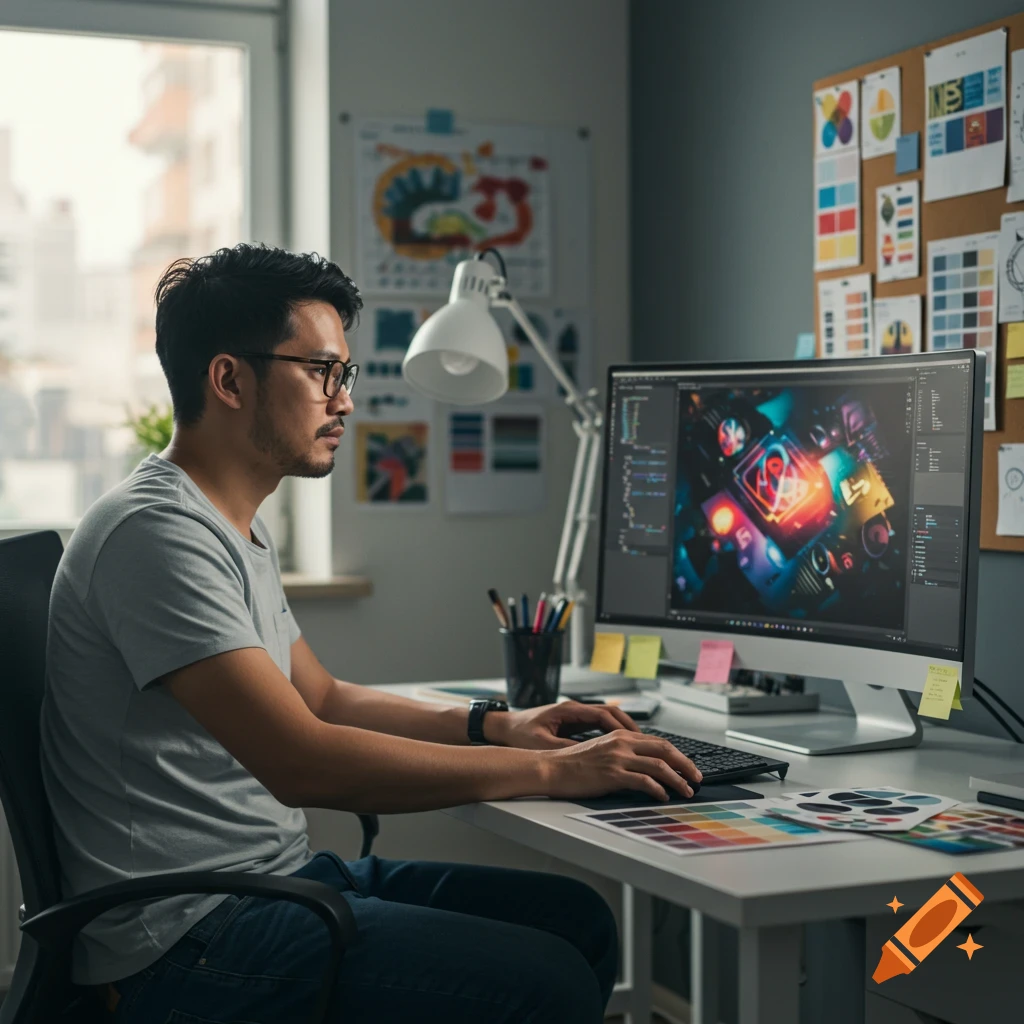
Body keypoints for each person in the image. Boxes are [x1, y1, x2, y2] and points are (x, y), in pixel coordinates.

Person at [40, 243, 700, 1024]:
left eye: (344, 374)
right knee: (544, 980)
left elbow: (318, 695)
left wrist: (504, 725)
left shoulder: (231, 526)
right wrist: (553, 772)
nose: (345, 400)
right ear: (228, 379)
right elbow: (301, 761)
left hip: (275, 882)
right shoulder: (155, 534)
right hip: (189, 937)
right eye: (322, 372)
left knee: (578, 922)